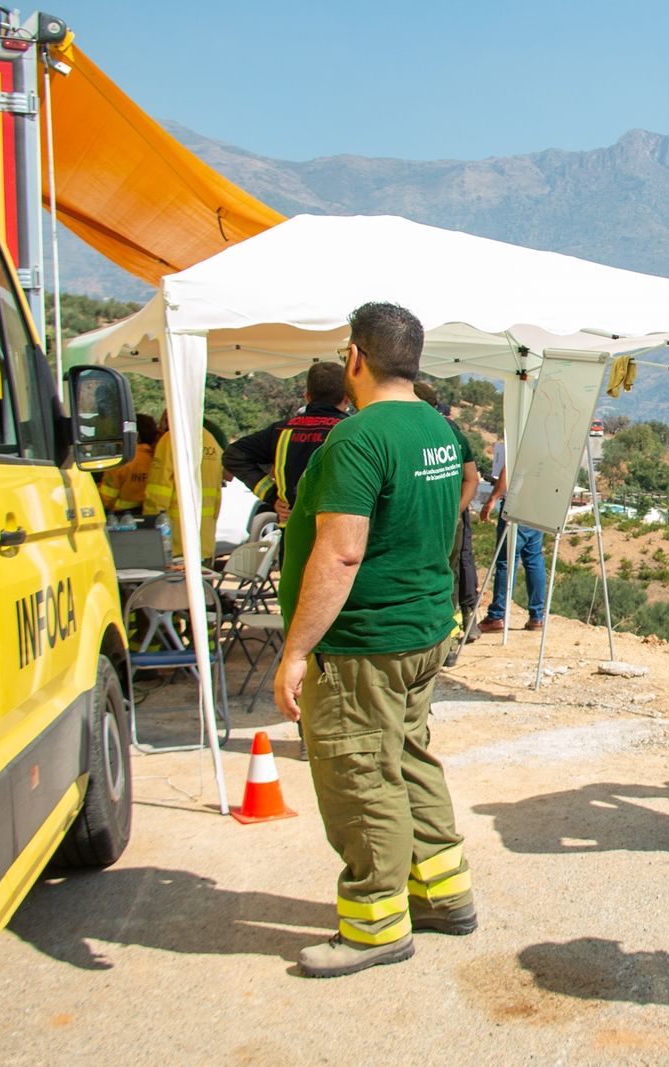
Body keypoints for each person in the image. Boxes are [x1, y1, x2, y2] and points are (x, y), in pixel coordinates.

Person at [274, 302, 478, 978]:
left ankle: (375, 923)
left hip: (366, 640)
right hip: (422, 631)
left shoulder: (358, 438)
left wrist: (296, 650)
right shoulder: (440, 430)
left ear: (355, 358)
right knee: (411, 756)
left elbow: (339, 554)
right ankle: (444, 892)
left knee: (361, 771)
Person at [222, 362, 349, 527]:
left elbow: (234, 455)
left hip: (291, 531)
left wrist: (272, 496)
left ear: (307, 396)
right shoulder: (351, 430)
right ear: (347, 397)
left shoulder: (281, 430)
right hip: (338, 530)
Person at [413, 380, 482, 654]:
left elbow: (470, 479)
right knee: (450, 573)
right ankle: (448, 638)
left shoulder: (409, 433)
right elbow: (472, 479)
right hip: (449, 519)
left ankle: (441, 636)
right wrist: (454, 512)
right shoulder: (453, 433)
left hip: (425, 520)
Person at [478, 437, 547, 633]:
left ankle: (497, 616)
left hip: (516, 506)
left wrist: (492, 499)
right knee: (534, 559)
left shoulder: (522, 436)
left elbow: (509, 470)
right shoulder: (545, 442)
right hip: (536, 506)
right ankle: (537, 616)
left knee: (506, 561)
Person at [144, 410, 225, 559]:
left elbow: (158, 490)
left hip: (175, 542)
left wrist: (149, 526)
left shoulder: (171, 440)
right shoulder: (211, 441)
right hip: (204, 542)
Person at [98, 412, 159, 515]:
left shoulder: (122, 461)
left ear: (134, 435)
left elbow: (106, 499)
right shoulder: (156, 459)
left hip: (120, 520)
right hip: (149, 516)